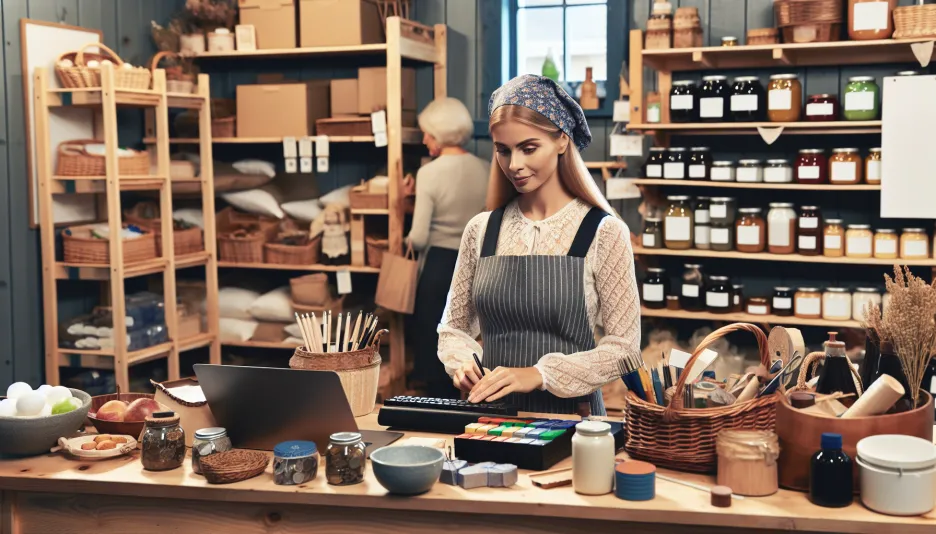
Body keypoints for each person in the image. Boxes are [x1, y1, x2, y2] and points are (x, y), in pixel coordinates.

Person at [435, 75, 643, 416]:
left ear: (562, 140)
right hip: (490, 417)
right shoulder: (481, 230)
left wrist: (540, 374)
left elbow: (624, 349)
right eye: (503, 150)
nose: (514, 164)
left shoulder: (604, 233)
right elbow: (453, 328)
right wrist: (462, 363)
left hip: (573, 422)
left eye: (528, 148)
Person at [405, 97, 489, 398]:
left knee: (437, 339)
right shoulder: (487, 169)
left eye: (428, 132)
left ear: (440, 133)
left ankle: (437, 406)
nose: (425, 139)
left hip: (440, 267)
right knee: (469, 338)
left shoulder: (428, 173)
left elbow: (418, 238)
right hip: (478, 264)